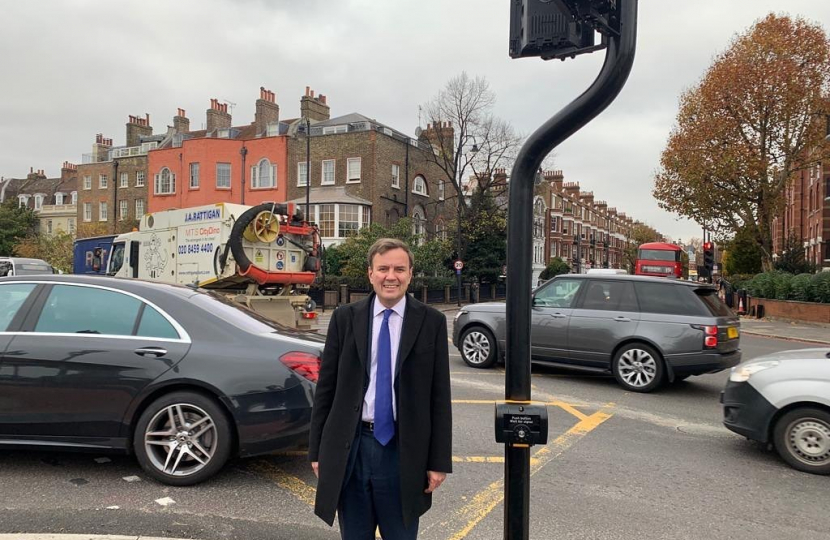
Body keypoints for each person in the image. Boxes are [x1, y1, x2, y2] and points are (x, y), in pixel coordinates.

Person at [309, 238, 452, 539]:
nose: (391, 276)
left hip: (403, 450)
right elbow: (326, 389)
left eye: (399, 269)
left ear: (410, 274)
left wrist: (438, 462)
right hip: (353, 447)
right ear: (370, 273)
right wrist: (317, 451)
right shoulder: (345, 318)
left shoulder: (432, 322)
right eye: (383, 268)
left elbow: (439, 397)